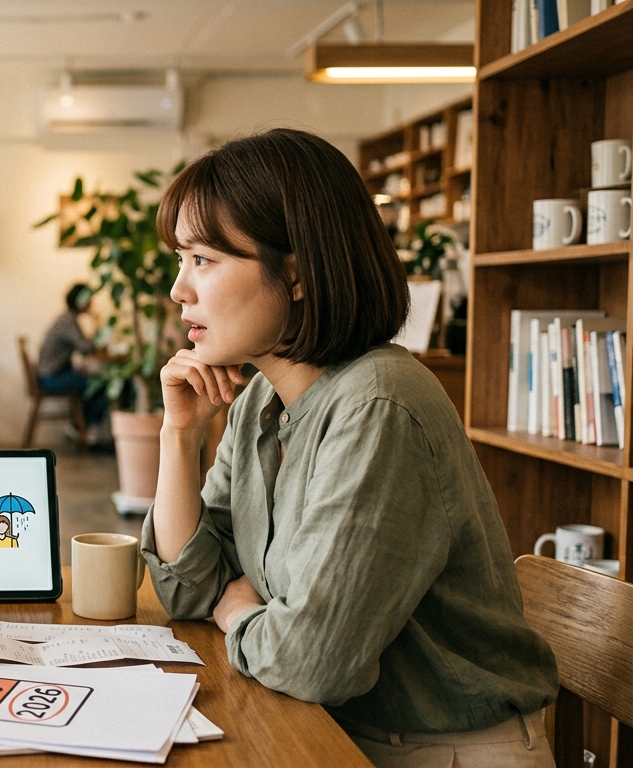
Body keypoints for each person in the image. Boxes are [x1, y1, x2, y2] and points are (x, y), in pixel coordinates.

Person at [143, 128, 558, 767]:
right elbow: (190, 587)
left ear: (299, 273)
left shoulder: (378, 404)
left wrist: (238, 612)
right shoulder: (262, 398)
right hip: (329, 729)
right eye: (181, 260)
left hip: (437, 750)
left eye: (204, 259)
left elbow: (311, 661)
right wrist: (180, 433)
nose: (179, 290)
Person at [35, 283, 108, 438]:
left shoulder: (65, 319)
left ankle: (80, 426)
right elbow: (86, 348)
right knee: (99, 383)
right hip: (51, 379)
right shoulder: (67, 321)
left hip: (50, 375)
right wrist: (97, 323)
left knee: (92, 380)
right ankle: (83, 429)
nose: (91, 303)